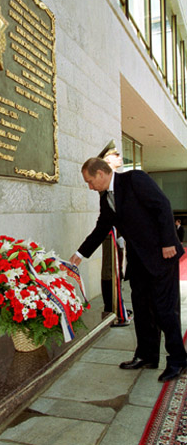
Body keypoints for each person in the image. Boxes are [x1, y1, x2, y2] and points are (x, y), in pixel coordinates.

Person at [70, 157, 186, 383]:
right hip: (139, 262)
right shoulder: (107, 198)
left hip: (162, 255)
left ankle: (178, 360)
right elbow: (101, 228)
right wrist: (80, 254)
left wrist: (168, 242)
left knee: (165, 310)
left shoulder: (135, 179)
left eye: (90, 181)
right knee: (142, 309)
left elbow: (162, 205)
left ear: (101, 174)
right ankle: (147, 355)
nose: (90, 186)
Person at [98, 141, 129, 324]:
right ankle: (112, 309)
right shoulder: (106, 183)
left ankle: (118, 307)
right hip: (111, 233)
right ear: (107, 160)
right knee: (111, 270)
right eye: (116, 155)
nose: (120, 157)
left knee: (117, 271)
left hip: (117, 233)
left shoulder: (118, 179)